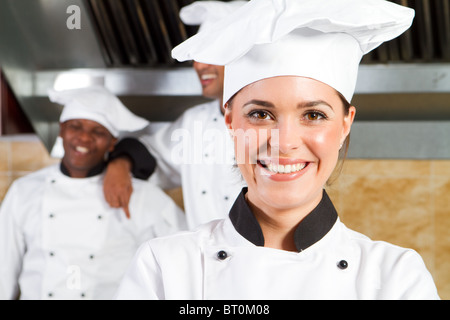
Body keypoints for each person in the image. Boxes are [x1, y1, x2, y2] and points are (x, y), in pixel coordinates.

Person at [114, 0, 440, 300]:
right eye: (260, 114)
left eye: (313, 115)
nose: (284, 142)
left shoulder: (395, 277)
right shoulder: (164, 269)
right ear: (229, 120)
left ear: (344, 125)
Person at [0, 86, 187, 300]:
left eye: (98, 131)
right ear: (61, 130)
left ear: (112, 142)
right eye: (75, 126)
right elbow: (3, 269)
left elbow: (183, 258)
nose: (84, 138)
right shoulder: (24, 191)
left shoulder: (141, 196)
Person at [103, 1, 248, 229]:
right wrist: (120, 163)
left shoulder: (276, 124)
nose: (198, 66)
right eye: (196, 56)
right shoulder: (194, 122)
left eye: (209, 54)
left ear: (243, 55)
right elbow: (154, 157)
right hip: (203, 259)